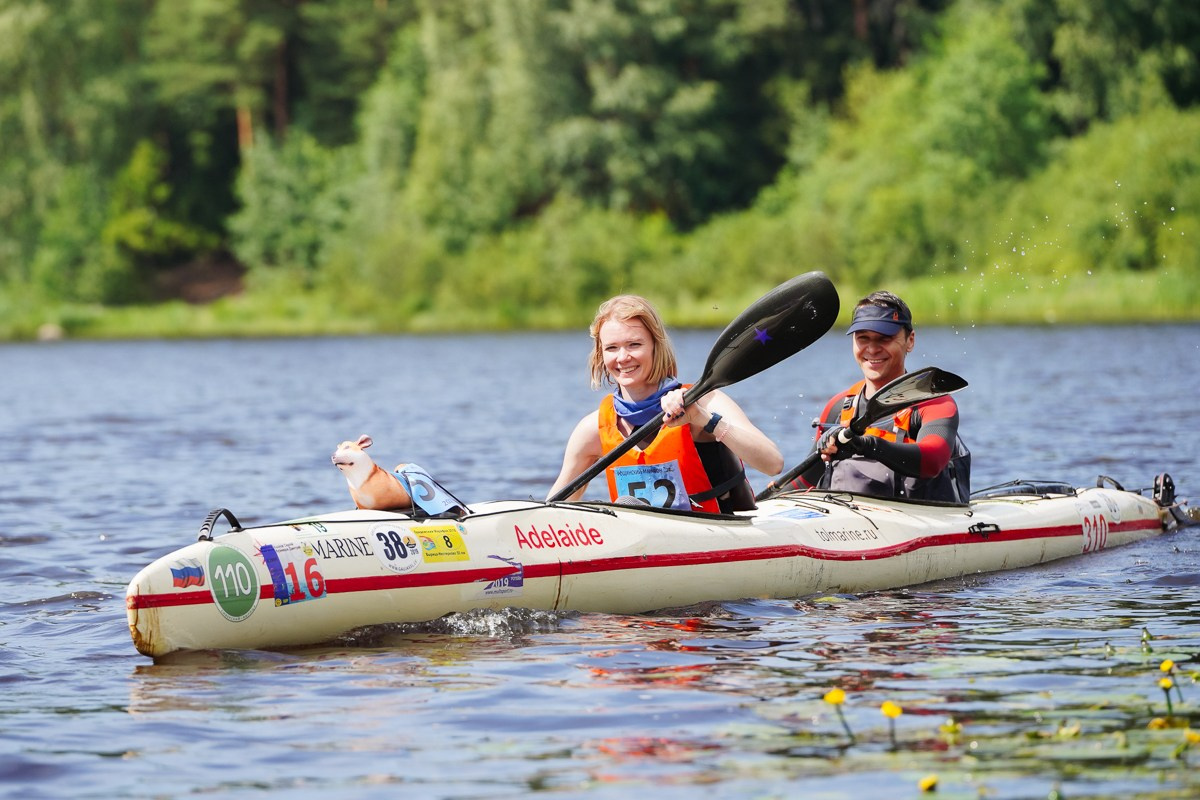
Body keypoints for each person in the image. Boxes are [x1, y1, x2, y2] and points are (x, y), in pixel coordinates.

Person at [548, 294, 784, 513]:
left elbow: (773, 463)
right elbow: (554, 508)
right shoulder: (593, 429)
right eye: (612, 348)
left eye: (634, 345)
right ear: (601, 355)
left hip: (724, 534)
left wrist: (703, 419)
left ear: (655, 346)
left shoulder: (704, 400)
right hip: (646, 546)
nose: (622, 357)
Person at [789, 291, 970, 502]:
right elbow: (803, 483)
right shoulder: (838, 408)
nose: (872, 349)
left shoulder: (934, 402)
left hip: (924, 523)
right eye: (863, 338)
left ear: (910, 341)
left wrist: (868, 445)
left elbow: (932, 460)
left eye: (884, 339)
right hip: (847, 524)